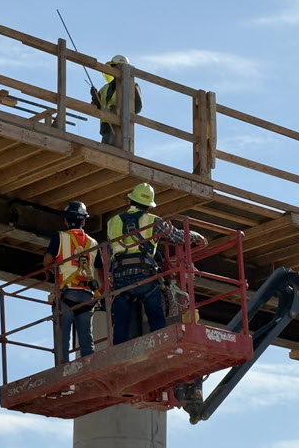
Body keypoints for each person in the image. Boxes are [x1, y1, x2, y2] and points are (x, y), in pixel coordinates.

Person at [107, 183, 207, 345]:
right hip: (144, 275)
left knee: (121, 320)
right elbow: (177, 237)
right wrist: (194, 235)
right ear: (149, 206)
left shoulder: (113, 222)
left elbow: (111, 250)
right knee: (155, 314)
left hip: (120, 275)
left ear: (131, 201)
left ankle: (119, 349)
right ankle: (161, 343)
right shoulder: (154, 221)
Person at [43, 201, 100, 364]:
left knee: (62, 340)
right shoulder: (93, 243)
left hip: (66, 294)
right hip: (87, 295)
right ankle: (90, 370)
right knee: (86, 341)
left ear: (66, 220)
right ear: (84, 221)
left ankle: (63, 376)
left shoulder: (59, 237)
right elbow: (100, 270)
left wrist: (55, 272)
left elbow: (47, 261)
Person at [90, 55, 143, 146]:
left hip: (121, 129)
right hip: (106, 127)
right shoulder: (104, 89)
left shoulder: (131, 86)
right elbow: (96, 108)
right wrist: (95, 98)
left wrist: (118, 110)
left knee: (110, 150)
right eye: (114, 67)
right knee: (105, 150)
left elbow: (137, 107)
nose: (115, 69)